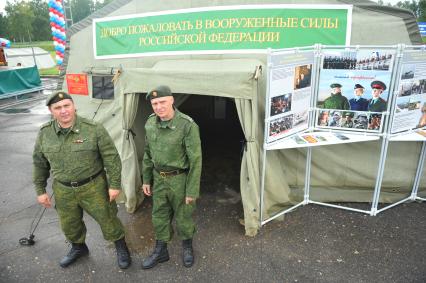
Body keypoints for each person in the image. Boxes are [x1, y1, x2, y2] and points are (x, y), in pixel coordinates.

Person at [32, 91, 131, 269]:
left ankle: (121, 246)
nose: (63, 111)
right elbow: (39, 163)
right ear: (51, 111)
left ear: (73, 106)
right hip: (63, 190)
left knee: (108, 219)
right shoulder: (45, 133)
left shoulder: (93, 128)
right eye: (58, 108)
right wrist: (40, 190)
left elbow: (111, 157)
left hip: (94, 187)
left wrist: (114, 184)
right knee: (69, 224)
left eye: (66, 106)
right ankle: (78, 247)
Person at [141, 85, 202, 269]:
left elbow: (196, 161)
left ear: (172, 100)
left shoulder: (187, 125)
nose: (159, 107)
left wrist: (192, 190)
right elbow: (147, 152)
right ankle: (161, 251)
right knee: (159, 215)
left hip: (180, 179)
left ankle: (187, 246)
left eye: (162, 102)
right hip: (158, 178)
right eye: (154, 103)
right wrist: (145, 179)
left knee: (184, 215)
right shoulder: (150, 123)